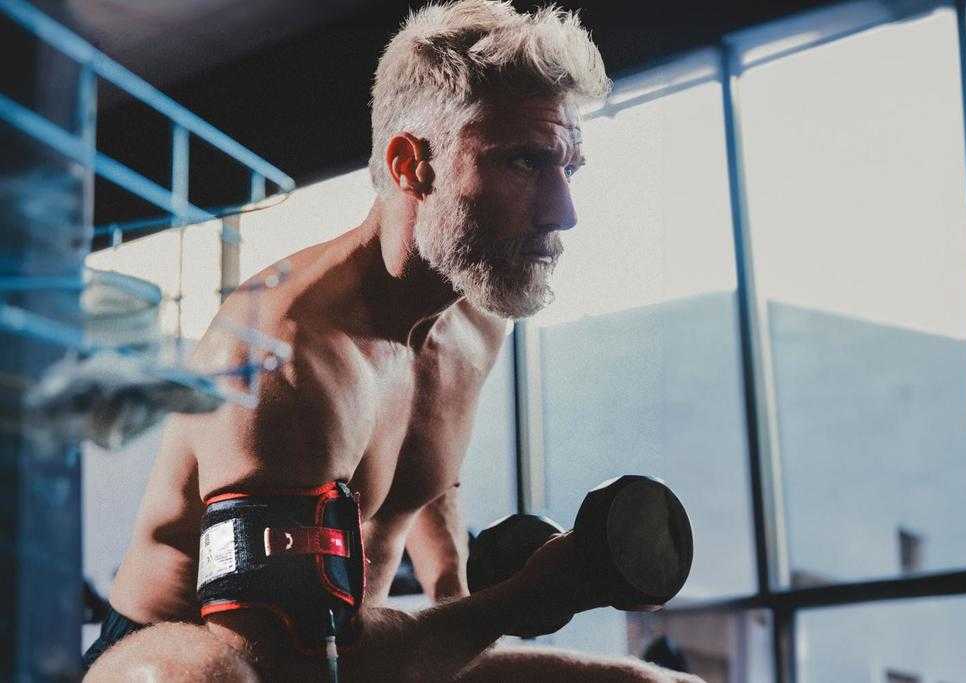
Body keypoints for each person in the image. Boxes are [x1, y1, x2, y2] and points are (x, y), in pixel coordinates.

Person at [84, 2, 704, 681]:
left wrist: (452, 589)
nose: (563, 212)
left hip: (373, 649)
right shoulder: (288, 358)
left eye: (568, 168)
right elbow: (291, 664)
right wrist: (528, 597)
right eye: (525, 162)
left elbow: (427, 467)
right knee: (206, 677)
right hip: (210, 648)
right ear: (412, 165)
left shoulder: (474, 320)